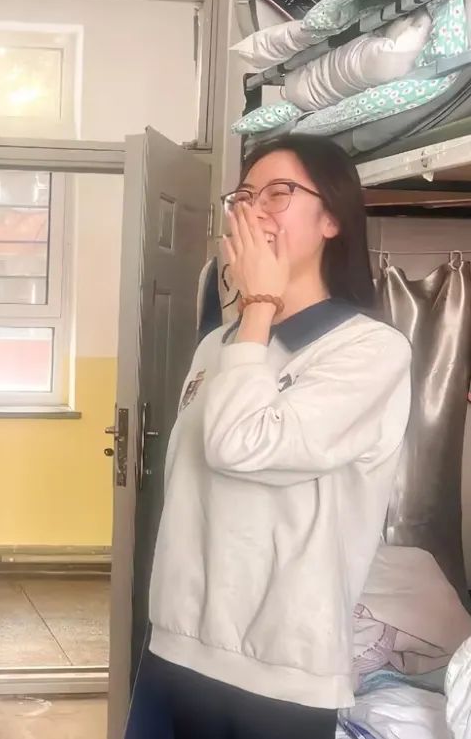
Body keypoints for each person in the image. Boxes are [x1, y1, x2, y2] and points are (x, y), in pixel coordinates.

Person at [126, 134, 412, 739]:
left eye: (278, 193)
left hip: (279, 676)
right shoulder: (219, 346)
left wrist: (258, 301)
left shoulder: (371, 350)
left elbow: (242, 446)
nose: (255, 212)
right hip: (175, 649)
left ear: (332, 218)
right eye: (244, 197)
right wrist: (250, 318)